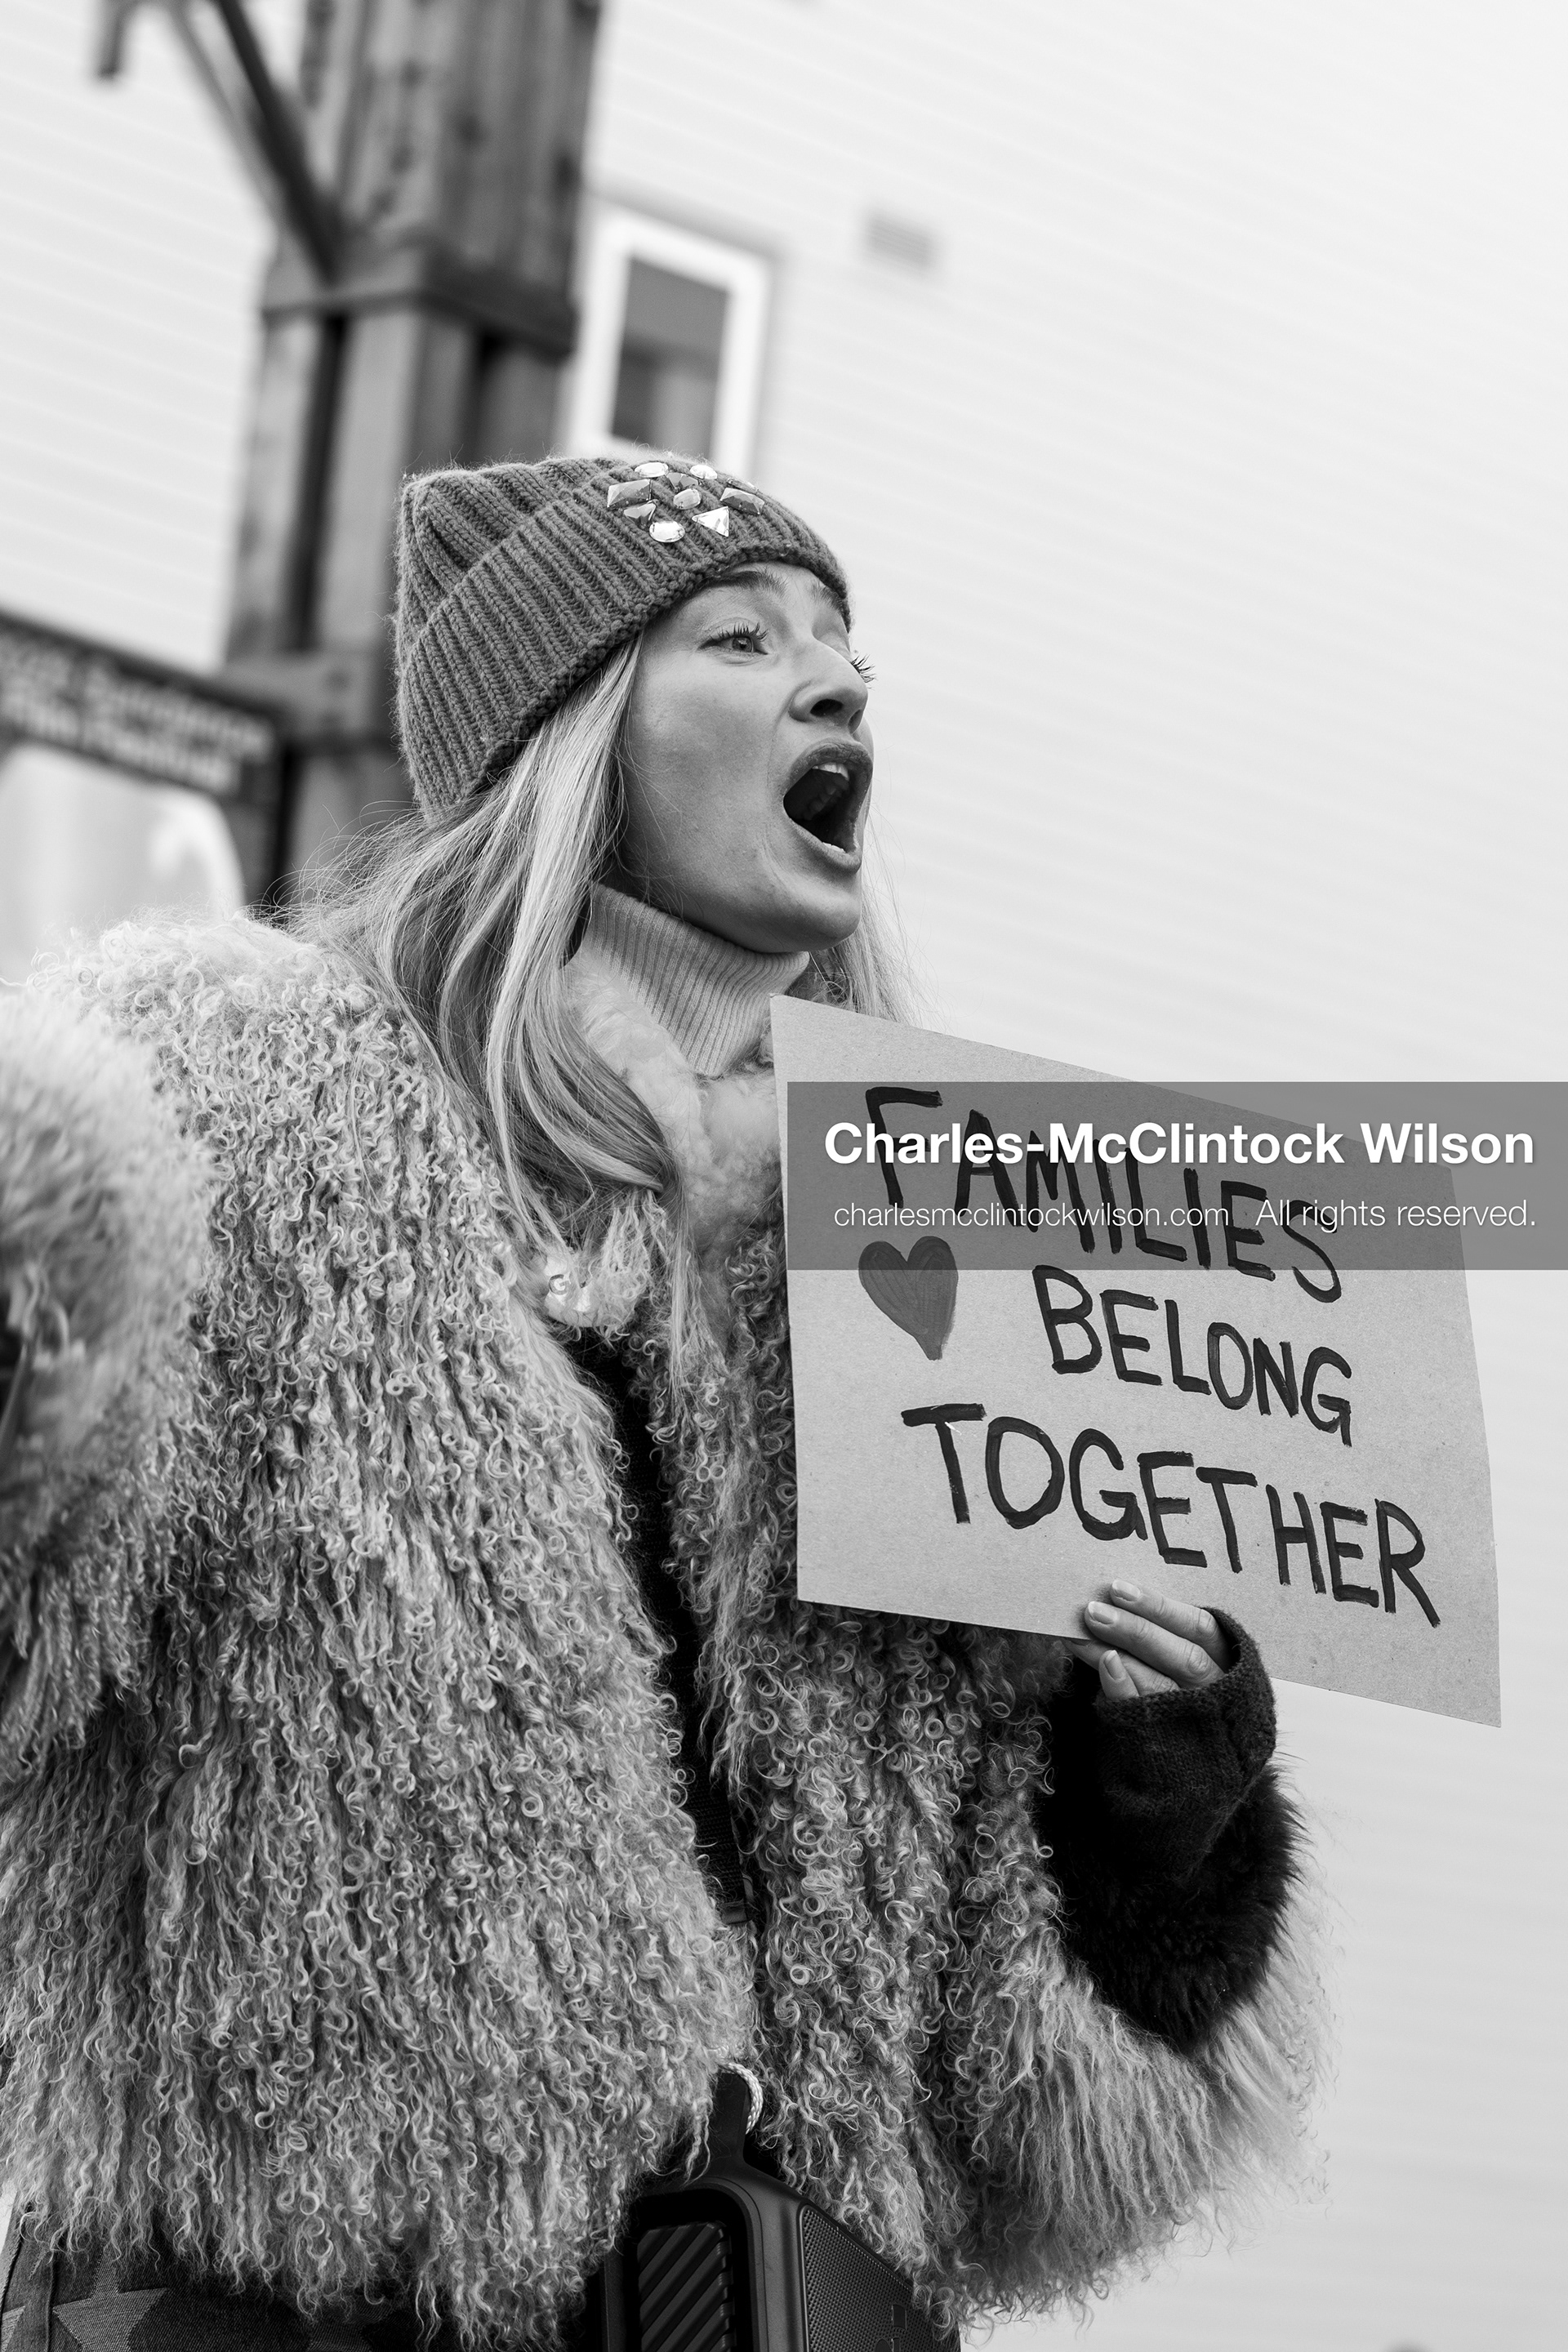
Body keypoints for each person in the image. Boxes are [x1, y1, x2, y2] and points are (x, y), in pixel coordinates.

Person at [0, 453, 1325, 2352]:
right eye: (744, 636)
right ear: (577, 740)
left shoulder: (908, 1291)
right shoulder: (242, 1104)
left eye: (848, 648)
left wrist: (1157, 1823)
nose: (841, 681)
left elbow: (1012, 2140)